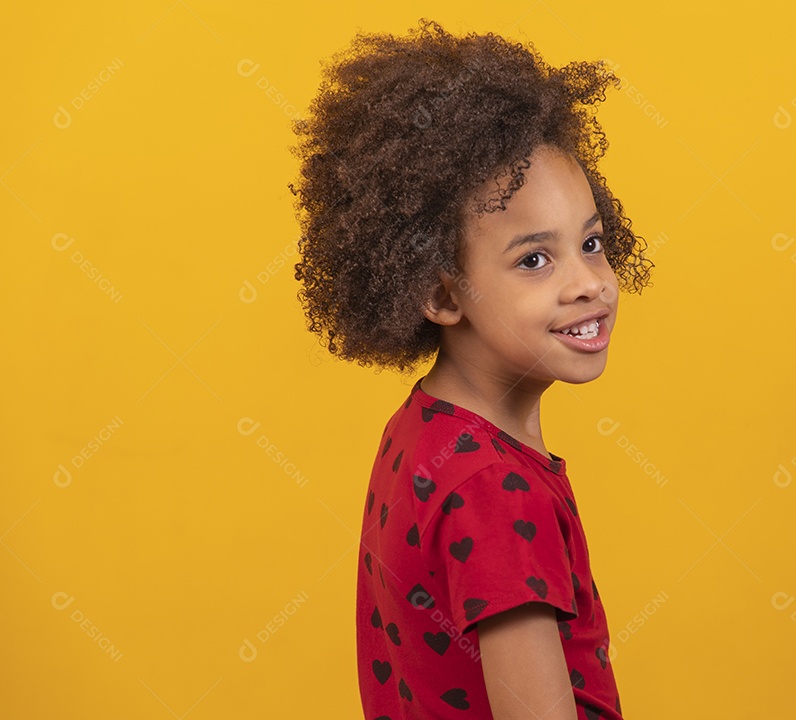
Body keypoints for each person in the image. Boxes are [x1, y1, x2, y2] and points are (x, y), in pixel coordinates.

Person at [290, 18, 653, 719]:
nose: (588, 283)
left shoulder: (423, 429)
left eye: (591, 242)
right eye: (534, 259)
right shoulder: (493, 489)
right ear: (442, 294)